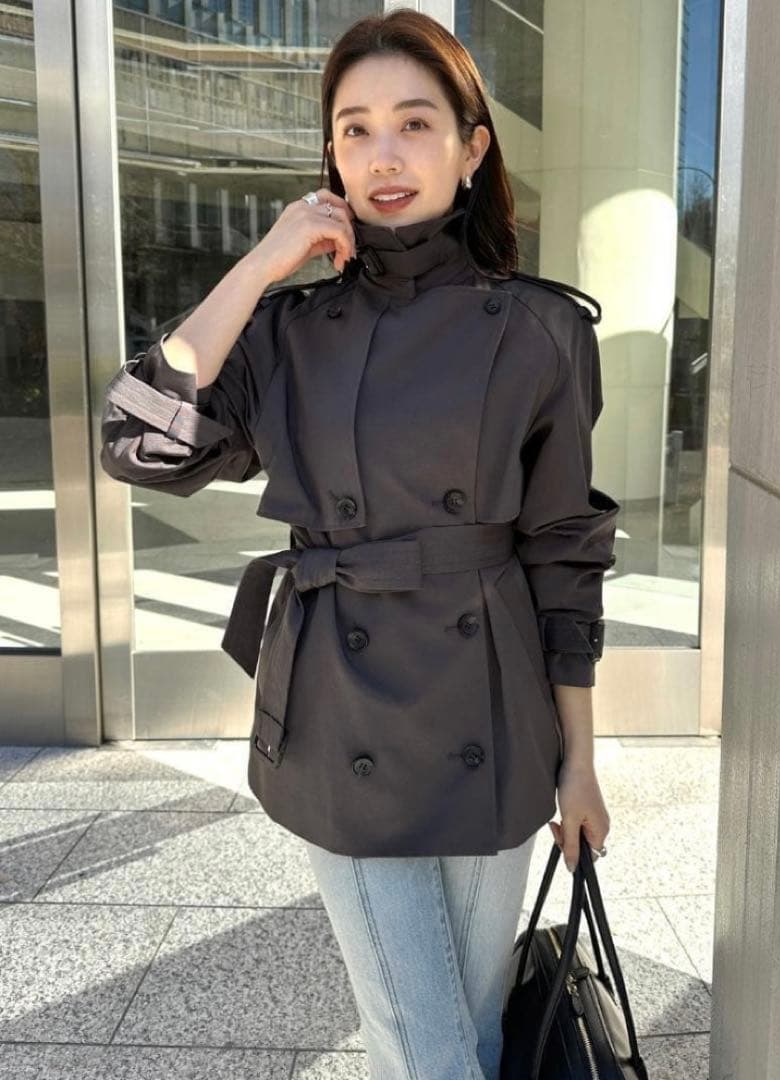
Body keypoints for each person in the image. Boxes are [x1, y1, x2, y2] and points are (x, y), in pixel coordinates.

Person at [99, 10, 619, 1078]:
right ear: (330, 158)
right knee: (431, 1050)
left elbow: (564, 551)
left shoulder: (542, 330)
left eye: (415, 124)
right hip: (339, 704)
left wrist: (581, 762)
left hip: (494, 706)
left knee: (463, 1031)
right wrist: (264, 261)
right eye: (355, 129)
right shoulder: (287, 332)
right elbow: (135, 443)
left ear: (471, 149)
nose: (384, 155)